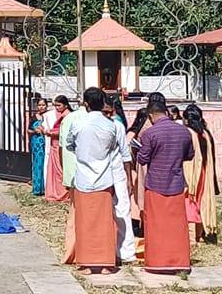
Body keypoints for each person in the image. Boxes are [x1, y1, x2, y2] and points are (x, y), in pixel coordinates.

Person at [136, 92, 195, 273]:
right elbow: (189, 155)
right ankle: (179, 261)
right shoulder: (184, 131)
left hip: (155, 184)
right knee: (177, 225)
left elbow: (143, 159)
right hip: (176, 183)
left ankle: (157, 262)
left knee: (156, 224)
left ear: (151, 115)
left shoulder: (150, 133)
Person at [63, 87, 120, 273]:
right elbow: (113, 147)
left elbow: (69, 144)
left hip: (83, 178)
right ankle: (106, 263)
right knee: (105, 222)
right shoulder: (110, 125)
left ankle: (86, 263)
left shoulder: (78, 123)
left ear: (85, 104)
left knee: (84, 222)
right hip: (104, 178)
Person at [105, 94, 137, 264]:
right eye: (104, 113)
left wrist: (129, 179)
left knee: (122, 211)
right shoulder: (91, 126)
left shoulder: (117, 126)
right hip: (99, 176)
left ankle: (126, 252)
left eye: (110, 113)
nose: (107, 116)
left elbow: (126, 155)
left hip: (117, 174)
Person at [182, 103, 219, 244]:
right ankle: (199, 233)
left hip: (192, 174)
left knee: (190, 203)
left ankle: (192, 237)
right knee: (199, 202)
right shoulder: (205, 133)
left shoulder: (189, 133)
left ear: (187, 120)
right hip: (203, 173)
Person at [45, 95, 71, 202]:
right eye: (55, 105)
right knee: (55, 170)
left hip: (59, 145)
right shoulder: (62, 114)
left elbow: (64, 131)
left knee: (60, 170)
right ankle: (56, 193)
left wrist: (49, 132)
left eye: (59, 105)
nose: (57, 108)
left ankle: (62, 193)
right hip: (55, 144)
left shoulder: (67, 116)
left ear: (65, 105)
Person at [30, 97, 48, 196]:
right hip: (37, 143)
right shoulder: (34, 117)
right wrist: (35, 131)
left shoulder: (49, 116)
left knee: (46, 163)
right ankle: (37, 188)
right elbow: (28, 130)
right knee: (37, 163)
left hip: (47, 142)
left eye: (43, 105)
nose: (41, 107)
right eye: (39, 105)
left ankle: (46, 188)